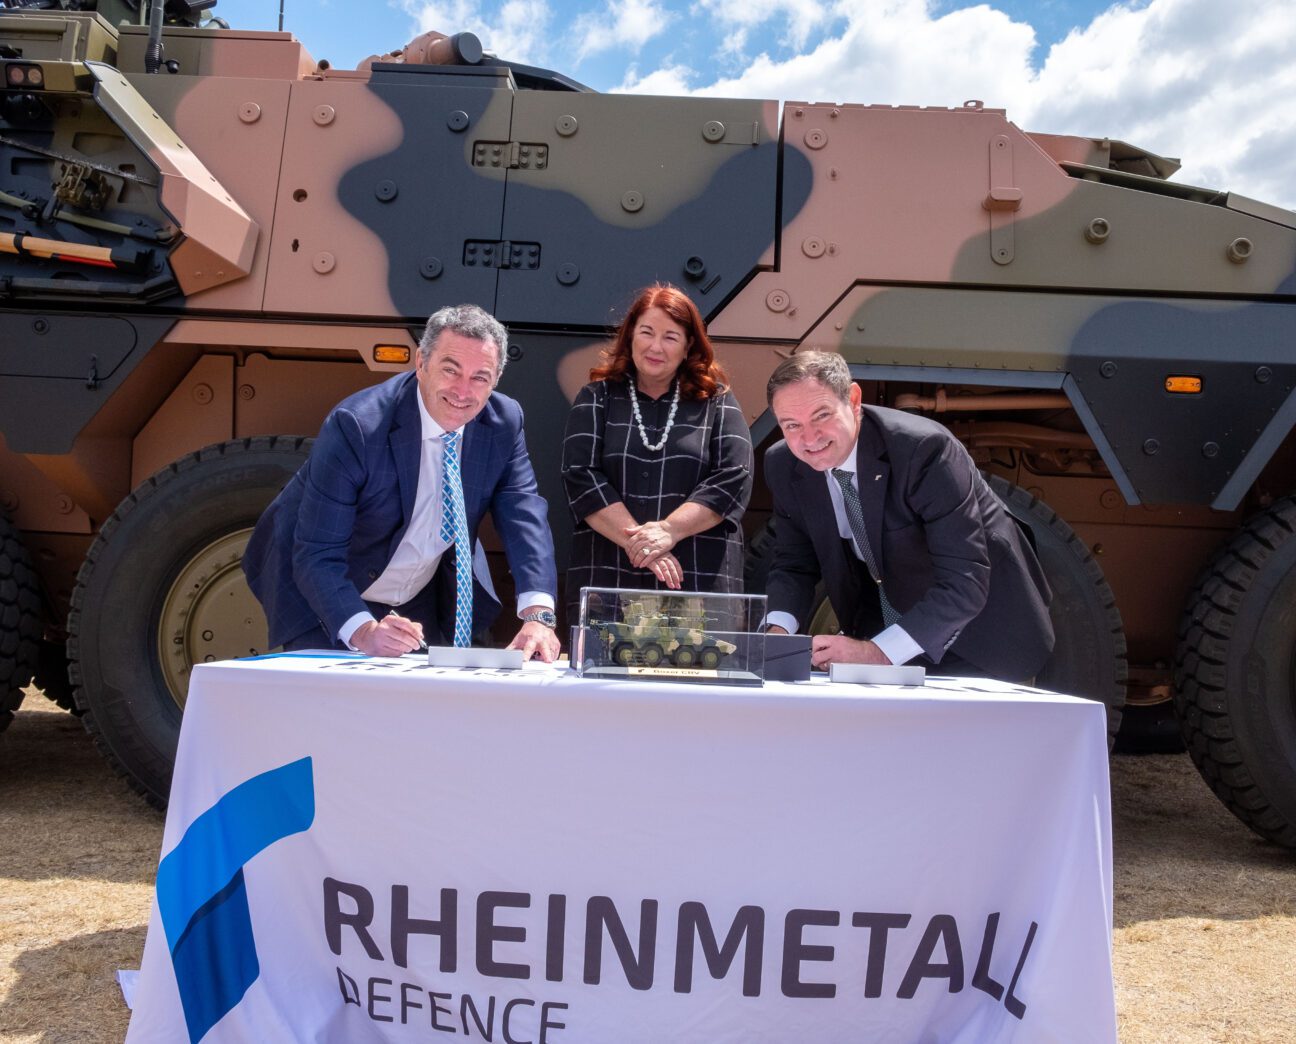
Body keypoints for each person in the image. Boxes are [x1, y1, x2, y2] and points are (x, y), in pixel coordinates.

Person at [244, 304, 560, 661]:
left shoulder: (503, 422)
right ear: (421, 364)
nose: (463, 391)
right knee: (330, 710)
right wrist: (364, 632)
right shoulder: (358, 426)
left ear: (496, 381)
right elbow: (316, 553)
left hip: (416, 597)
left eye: (480, 377)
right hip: (326, 587)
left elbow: (524, 517)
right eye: (450, 370)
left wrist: (538, 616)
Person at [762, 351, 1053, 681]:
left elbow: (965, 579)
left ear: (853, 400)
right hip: (881, 626)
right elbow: (794, 563)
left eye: (822, 415)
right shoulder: (784, 464)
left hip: (978, 637)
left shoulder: (925, 450)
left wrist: (877, 653)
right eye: (792, 425)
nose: (809, 438)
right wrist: (778, 633)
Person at [561, 284, 753, 620]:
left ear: (688, 345)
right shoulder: (596, 397)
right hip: (608, 576)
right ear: (630, 336)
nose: (655, 346)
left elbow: (733, 478)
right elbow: (580, 477)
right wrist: (647, 546)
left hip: (697, 581)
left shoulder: (718, 402)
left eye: (670, 337)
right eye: (646, 332)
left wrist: (669, 530)